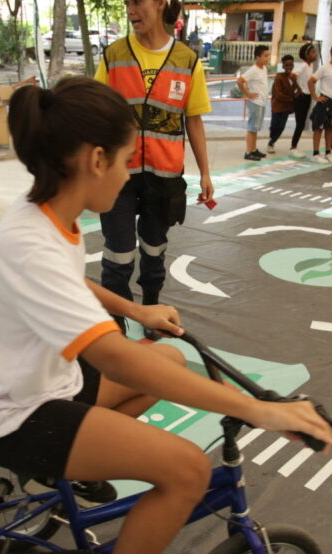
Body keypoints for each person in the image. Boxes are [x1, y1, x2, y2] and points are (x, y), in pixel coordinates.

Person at [0, 76, 332, 554]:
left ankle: (69, 470)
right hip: (14, 414)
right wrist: (262, 409)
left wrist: (137, 309)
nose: (132, 170)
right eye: (129, 159)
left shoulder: (50, 210)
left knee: (171, 364)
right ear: (96, 158)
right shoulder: (29, 244)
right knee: (187, 470)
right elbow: (120, 363)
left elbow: (73, 284)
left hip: (39, 383)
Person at [95, 0, 214, 340]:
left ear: (161, 2)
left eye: (137, 2)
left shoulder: (187, 61)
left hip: (164, 180)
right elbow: (96, 110)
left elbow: (194, 119)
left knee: (154, 252)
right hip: (118, 177)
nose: (131, 10)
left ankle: (152, 312)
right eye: (127, 3)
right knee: (117, 257)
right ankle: (114, 334)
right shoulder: (113, 55)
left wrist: (205, 173)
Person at [308, 42, 332, 163]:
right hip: (325, 101)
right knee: (319, 128)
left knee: (330, 128)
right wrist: (315, 97)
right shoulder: (325, 68)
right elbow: (311, 81)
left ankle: (328, 152)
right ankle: (315, 153)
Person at [238, 45, 272, 160]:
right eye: (265, 56)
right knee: (252, 127)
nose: (267, 58)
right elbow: (240, 81)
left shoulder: (264, 69)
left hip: (261, 102)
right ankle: (248, 151)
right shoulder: (253, 70)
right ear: (257, 57)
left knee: (256, 128)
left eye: (268, 56)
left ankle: (254, 149)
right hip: (255, 102)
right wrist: (247, 94)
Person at [288, 43, 318, 157]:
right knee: (300, 123)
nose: (315, 54)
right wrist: (298, 88)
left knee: (302, 122)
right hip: (301, 97)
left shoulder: (310, 66)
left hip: (307, 95)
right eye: (312, 52)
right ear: (306, 55)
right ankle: (293, 147)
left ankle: (295, 146)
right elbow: (292, 75)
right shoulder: (304, 65)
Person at [267, 55, 297, 155]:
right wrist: (291, 99)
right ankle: (271, 142)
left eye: (291, 65)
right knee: (274, 126)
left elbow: (295, 91)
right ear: (283, 66)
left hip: (286, 107)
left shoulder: (293, 77)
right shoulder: (279, 77)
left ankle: (272, 142)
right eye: (286, 65)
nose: (289, 67)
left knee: (281, 127)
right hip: (277, 106)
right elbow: (278, 94)